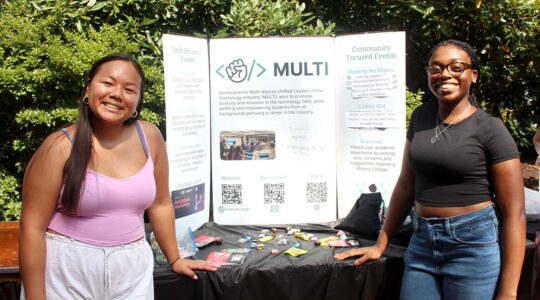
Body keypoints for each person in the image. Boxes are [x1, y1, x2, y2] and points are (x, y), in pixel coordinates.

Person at [335, 40, 525, 299]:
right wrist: (381, 243)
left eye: (456, 67)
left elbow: (514, 213)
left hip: (472, 245)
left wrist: (509, 293)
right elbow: (405, 185)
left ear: (473, 75)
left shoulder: (490, 128)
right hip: (422, 241)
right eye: (436, 68)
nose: (445, 74)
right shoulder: (421, 117)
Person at [19, 53, 218, 300]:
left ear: (138, 101)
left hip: (132, 267)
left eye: (129, 89)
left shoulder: (150, 136)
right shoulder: (59, 147)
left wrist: (175, 258)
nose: (116, 94)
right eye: (108, 83)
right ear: (88, 88)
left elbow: (161, 204)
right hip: (67, 269)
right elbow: (32, 227)